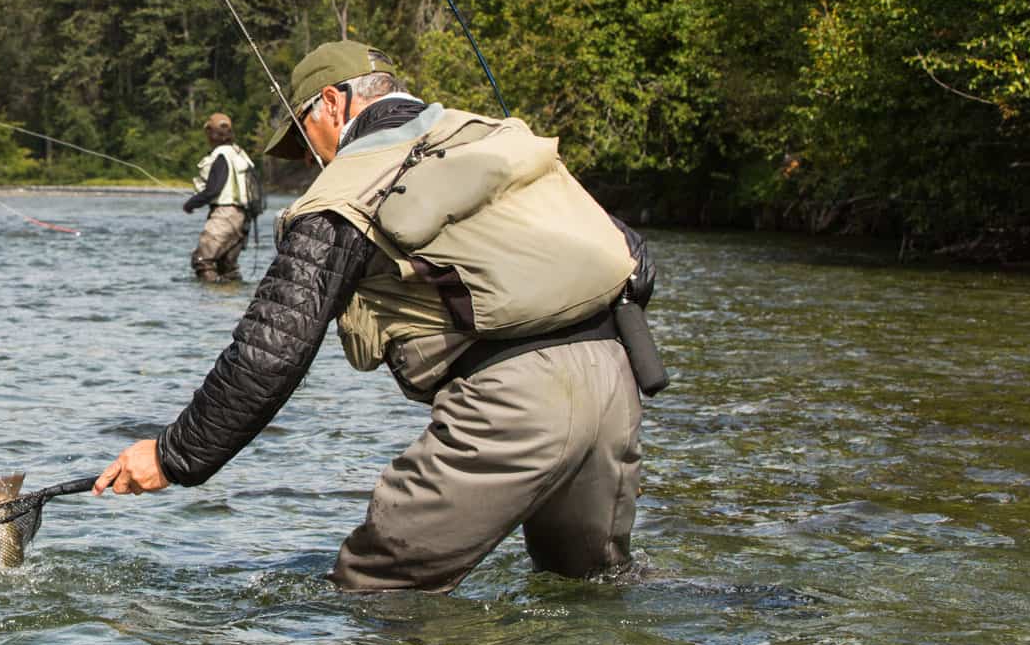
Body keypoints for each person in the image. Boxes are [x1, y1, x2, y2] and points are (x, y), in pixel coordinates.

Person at [93, 40, 656, 592]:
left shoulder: (344, 192)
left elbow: (270, 354)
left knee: (374, 592)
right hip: (615, 382)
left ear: (332, 105)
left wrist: (173, 454)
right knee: (591, 592)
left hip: (514, 406)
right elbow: (631, 255)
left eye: (304, 133)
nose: (313, 156)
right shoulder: (494, 138)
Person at [182, 112, 255, 282]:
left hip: (225, 215)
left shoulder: (221, 155)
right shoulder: (240, 153)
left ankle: (208, 304)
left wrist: (191, 204)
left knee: (202, 260)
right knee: (226, 266)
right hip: (244, 217)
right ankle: (229, 301)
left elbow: (214, 189)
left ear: (212, 133)